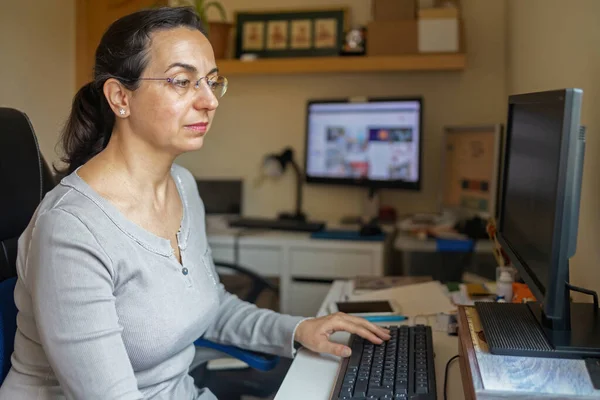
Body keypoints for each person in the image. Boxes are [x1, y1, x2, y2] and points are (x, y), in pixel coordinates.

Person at [0, 7, 390, 400]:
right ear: (120, 96)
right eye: (182, 81)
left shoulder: (182, 186)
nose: (209, 101)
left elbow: (208, 305)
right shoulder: (71, 227)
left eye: (212, 81)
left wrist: (298, 329)